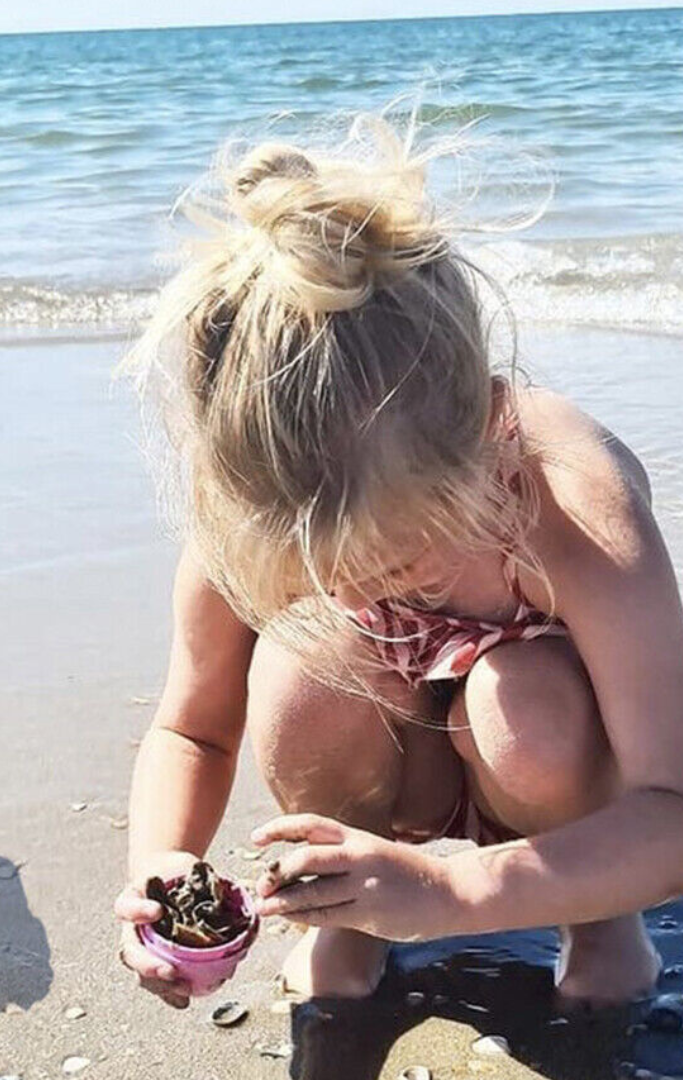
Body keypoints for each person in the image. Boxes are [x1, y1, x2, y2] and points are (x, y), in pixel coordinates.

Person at [112, 108, 683, 1009]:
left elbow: (673, 807)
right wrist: (160, 865)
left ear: (484, 439)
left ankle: (598, 918)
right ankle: (347, 914)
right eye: (317, 555)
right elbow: (191, 728)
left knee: (519, 702)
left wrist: (451, 894)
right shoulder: (252, 499)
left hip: (552, 773)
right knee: (303, 665)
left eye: (396, 548)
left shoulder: (570, 498)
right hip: (387, 759)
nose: (355, 579)